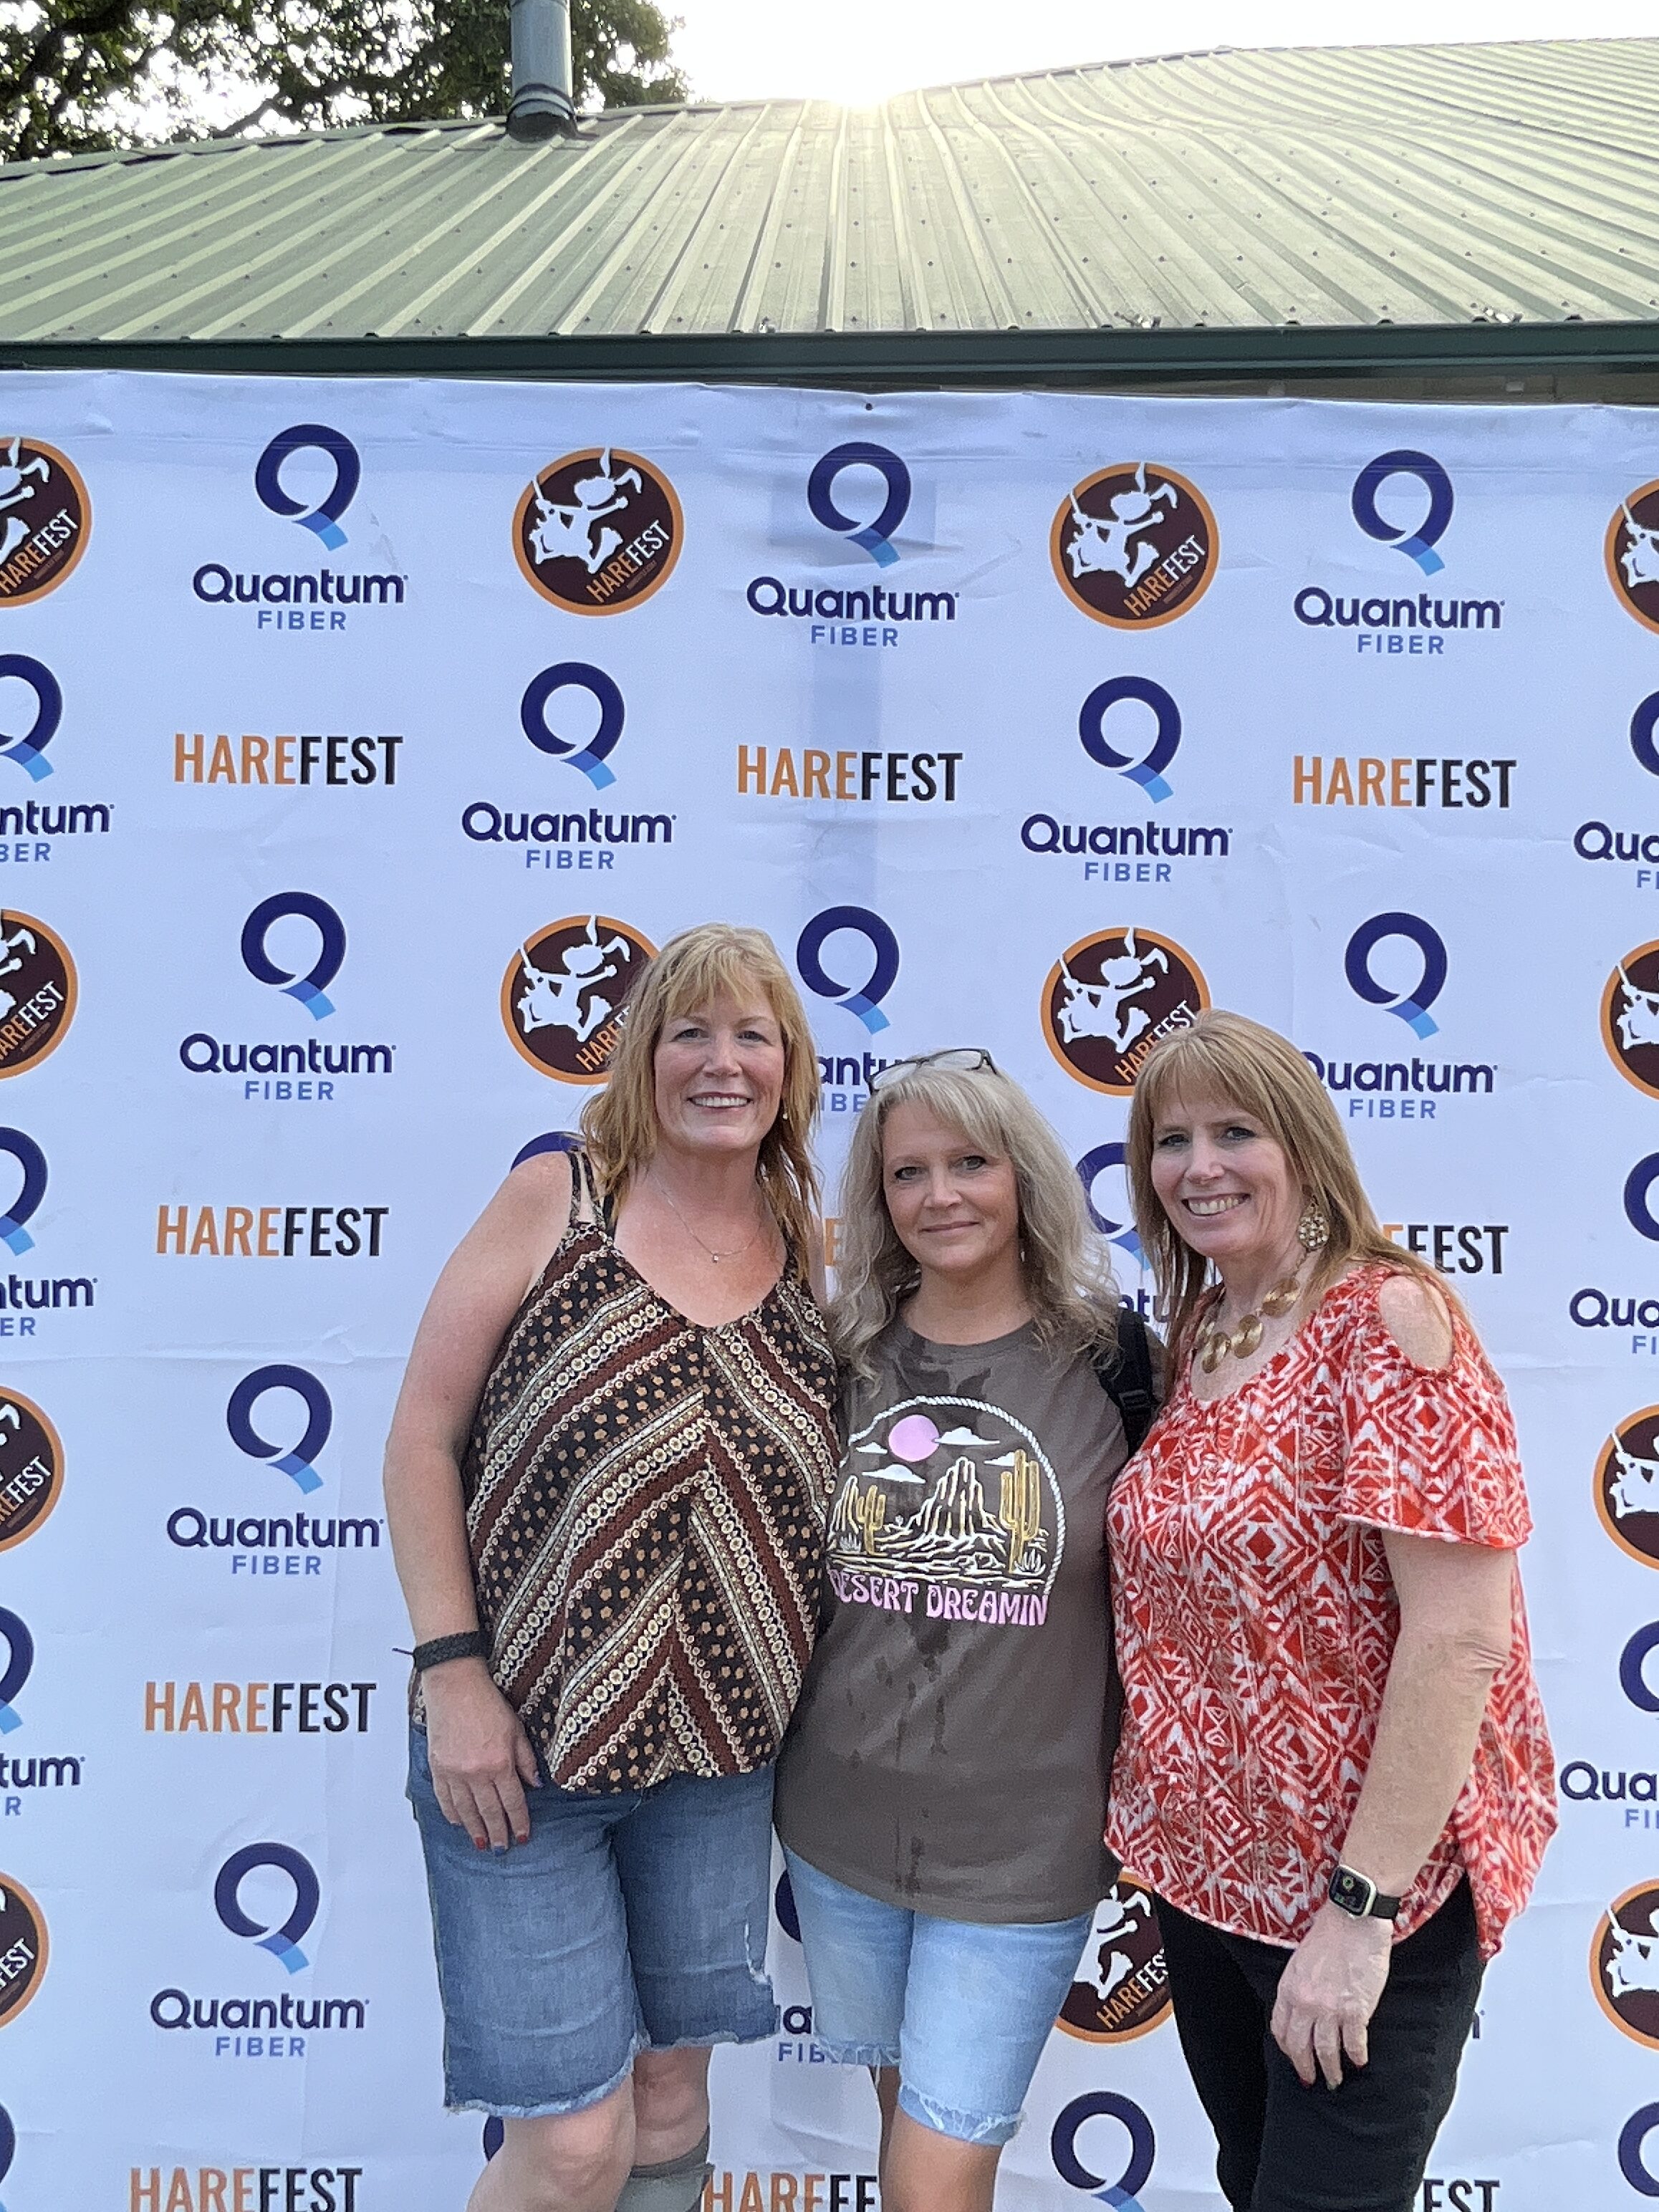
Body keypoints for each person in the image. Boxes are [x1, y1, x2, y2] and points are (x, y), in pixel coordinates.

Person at [383, 923, 840, 2212]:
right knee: (574, 2143)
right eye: (690, 1032)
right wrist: (452, 1677)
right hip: (517, 1751)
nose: (721, 1062)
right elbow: (420, 1439)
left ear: (791, 1070)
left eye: (752, 1036)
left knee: (672, 2101)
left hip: (720, 1758)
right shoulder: (560, 1198)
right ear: (642, 1057)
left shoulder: (807, 1245)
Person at [1109, 1010, 1557, 2212]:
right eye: (1171, 1141)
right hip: (1208, 1884)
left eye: (1235, 1133)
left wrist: (1360, 1916)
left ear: (1303, 1147)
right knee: (1255, 2183)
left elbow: (1461, 1638)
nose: (1199, 1167)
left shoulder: (1389, 1321)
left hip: (1363, 1898)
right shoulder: (1206, 1328)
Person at [774, 1049, 1157, 2212]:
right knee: (910, 2147)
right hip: (840, 1833)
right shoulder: (837, 1358)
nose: (940, 1195)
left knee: (932, 2182)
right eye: (908, 1172)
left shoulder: (1118, 1363)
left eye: (971, 1163)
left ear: (1022, 1175)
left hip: (1024, 1853)